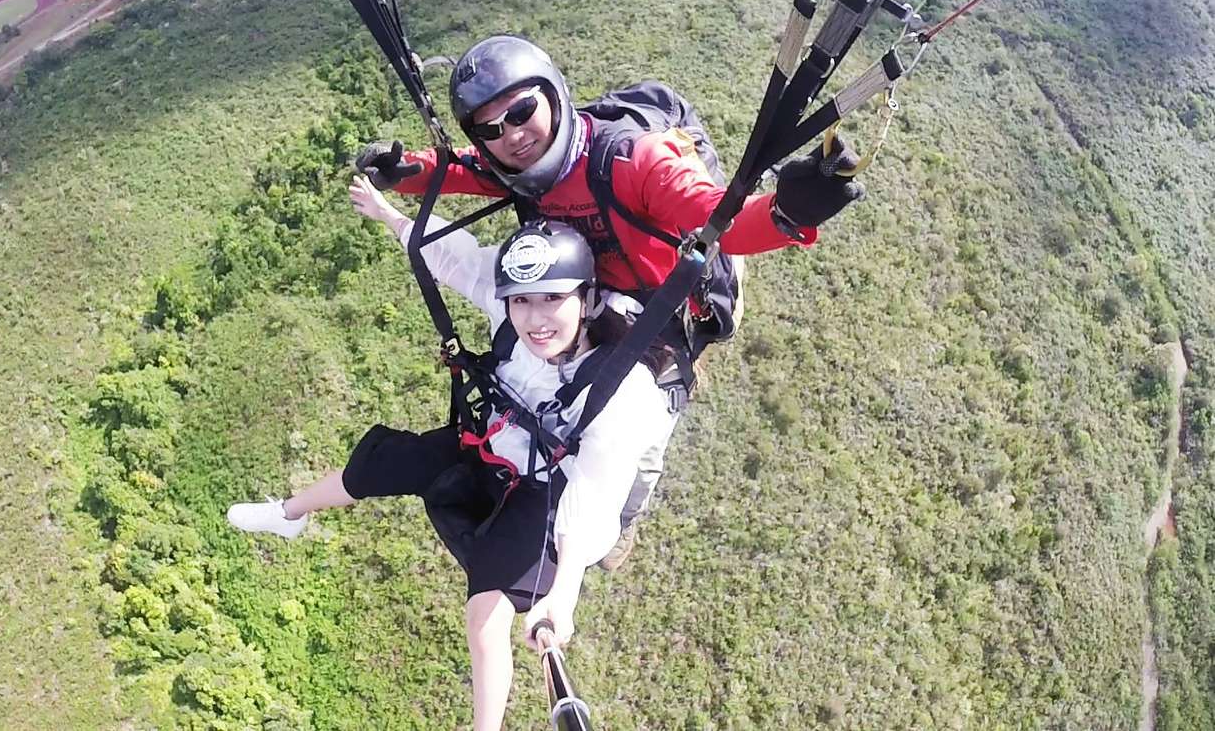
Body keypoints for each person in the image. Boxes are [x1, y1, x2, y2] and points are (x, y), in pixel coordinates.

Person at [357, 35, 866, 567]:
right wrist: (405, 173)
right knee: (569, 393)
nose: (512, 135)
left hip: (662, 313)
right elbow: (465, 169)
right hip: (592, 297)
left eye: (522, 110)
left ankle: (624, 517)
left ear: (552, 96)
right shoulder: (518, 166)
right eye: (490, 129)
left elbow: (717, 217)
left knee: (643, 439)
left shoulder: (633, 159)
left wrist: (788, 212)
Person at [227, 176, 675, 731]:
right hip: (492, 443)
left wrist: (563, 595)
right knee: (383, 463)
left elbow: (594, 492)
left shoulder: (618, 385)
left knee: (485, 615)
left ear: (585, 299)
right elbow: (456, 259)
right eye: (523, 302)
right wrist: (391, 216)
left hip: (546, 490)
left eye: (553, 300)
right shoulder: (511, 318)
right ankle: (289, 514)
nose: (536, 319)